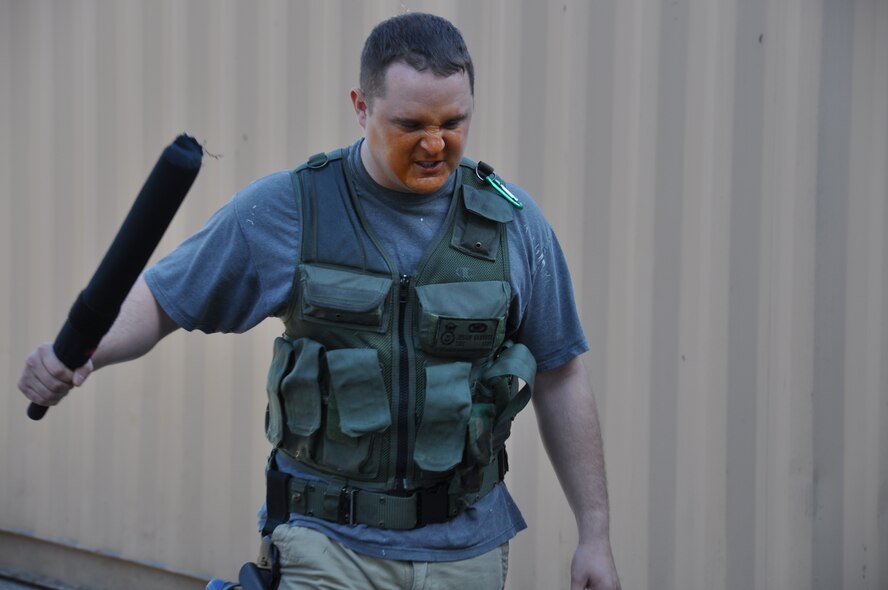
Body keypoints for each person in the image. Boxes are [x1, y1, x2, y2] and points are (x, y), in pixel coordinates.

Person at [18, 12, 620, 590]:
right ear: (361, 108)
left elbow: (561, 372)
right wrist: (84, 354)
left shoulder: (513, 223)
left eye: (454, 122)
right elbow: (165, 298)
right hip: (326, 542)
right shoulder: (290, 209)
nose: (436, 143)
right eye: (411, 125)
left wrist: (595, 533)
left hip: (467, 548)